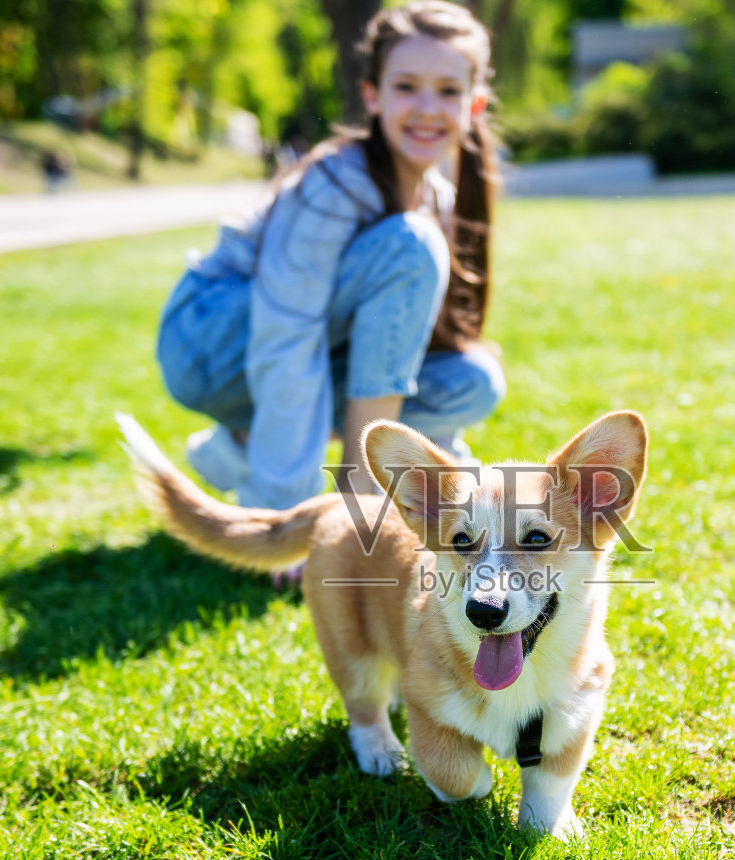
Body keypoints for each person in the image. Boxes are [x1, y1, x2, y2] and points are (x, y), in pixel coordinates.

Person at [155, 0, 506, 513]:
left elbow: (399, 351)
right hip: (208, 347)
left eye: (448, 91)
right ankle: (335, 493)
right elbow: (287, 340)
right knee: (412, 243)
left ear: (474, 105)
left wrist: (446, 478)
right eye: (406, 86)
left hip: (287, 352)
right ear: (372, 95)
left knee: (470, 381)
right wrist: (284, 511)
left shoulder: (437, 200)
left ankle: (238, 447)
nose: (428, 107)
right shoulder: (333, 186)